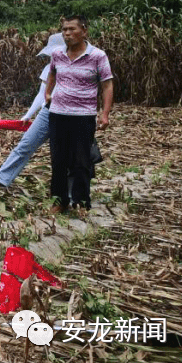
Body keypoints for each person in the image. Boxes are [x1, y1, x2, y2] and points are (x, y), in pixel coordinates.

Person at [45, 15, 113, 215]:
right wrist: (48, 93)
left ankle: (81, 201)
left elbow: (107, 84)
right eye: (64, 30)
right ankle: (60, 200)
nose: (67, 33)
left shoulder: (97, 56)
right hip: (58, 114)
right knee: (58, 161)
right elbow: (52, 74)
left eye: (72, 29)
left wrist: (105, 113)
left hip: (83, 116)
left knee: (81, 161)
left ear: (84, 30)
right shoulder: (57, 54)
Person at [0, 33, 64, 189]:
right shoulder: (49, 67)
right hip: (47, 113)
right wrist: (28, 115)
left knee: (67, 153)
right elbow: (41, 94)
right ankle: (2, 179)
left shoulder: (79, 64)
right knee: (25, 145)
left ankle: (72, 191)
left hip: (68, 113)